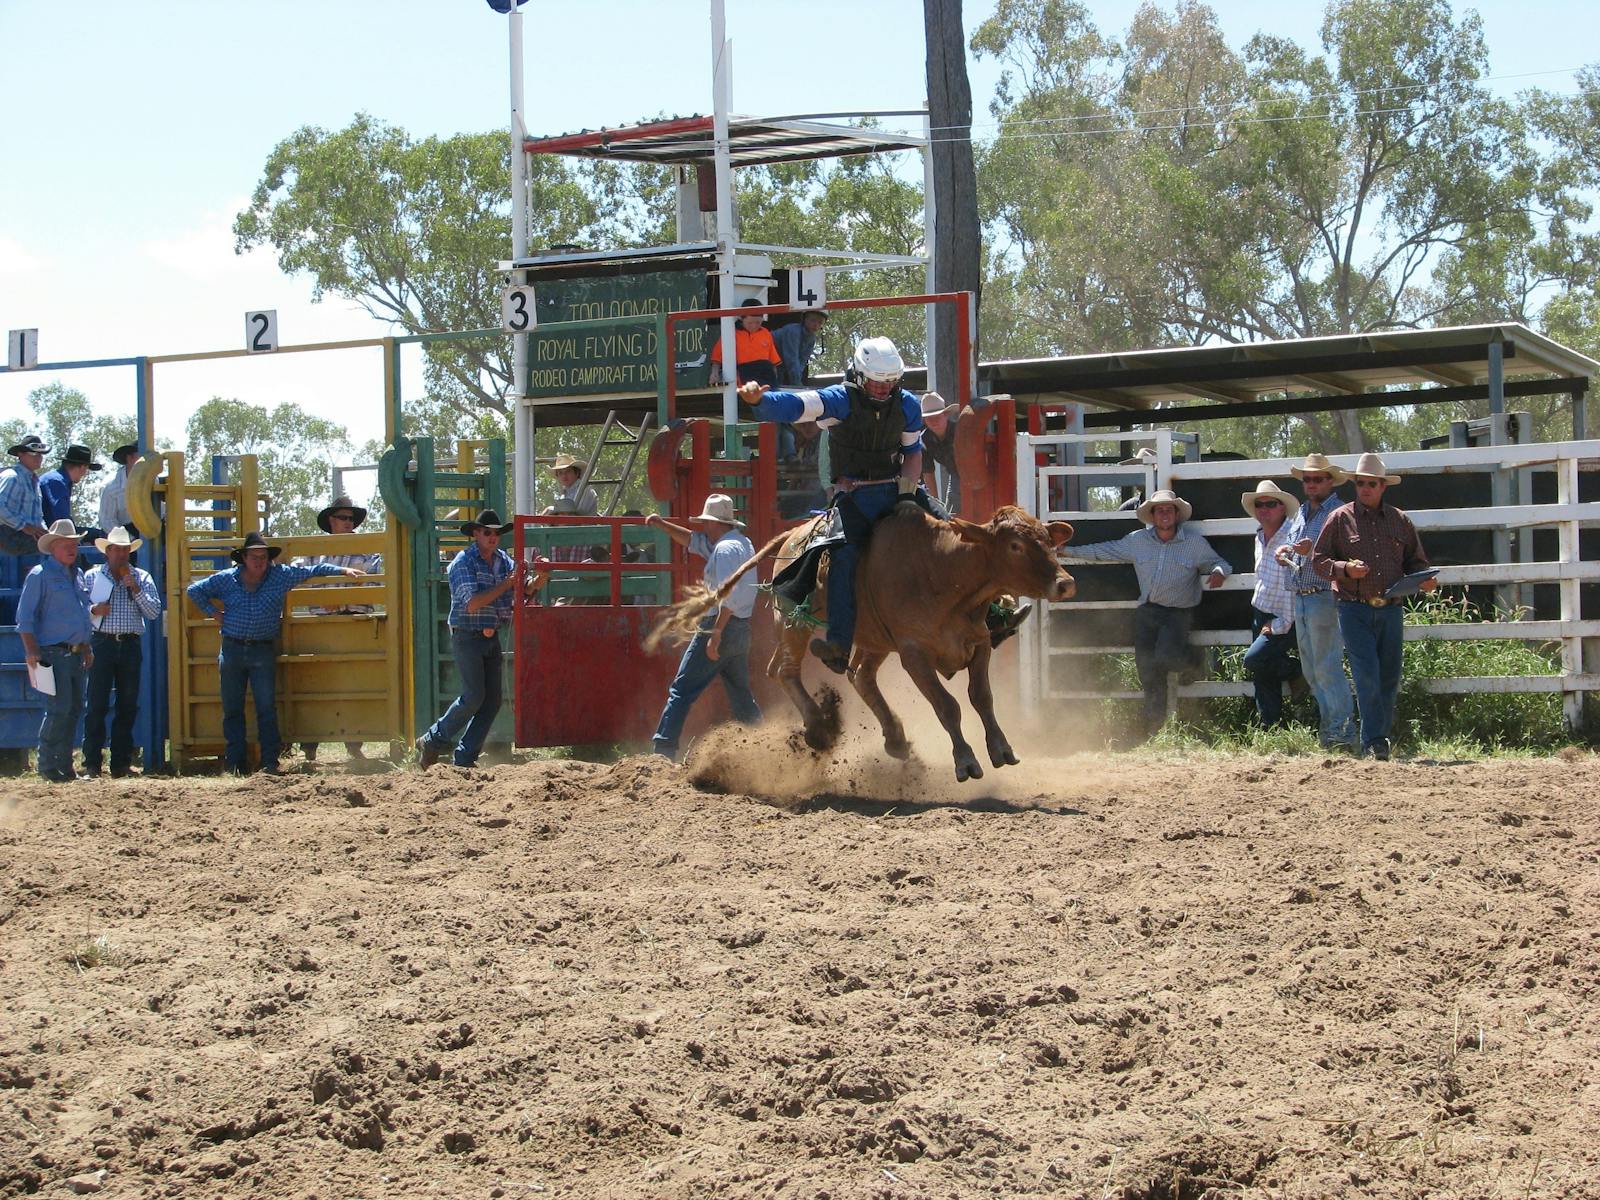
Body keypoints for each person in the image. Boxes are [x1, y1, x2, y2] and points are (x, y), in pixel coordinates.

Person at [737, 335, 927, 675]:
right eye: (876, 382)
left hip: (898, 490)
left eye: (890, 382)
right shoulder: (840, 400)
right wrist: (761, 402)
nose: (883, 389)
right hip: (855, 498)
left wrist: (908, 497)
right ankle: (839, 644)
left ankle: (992, 616)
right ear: (858, 375)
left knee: (949, 529)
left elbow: (912, 453)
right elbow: (798, 405)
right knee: (844, 555)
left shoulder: (908, 405)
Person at [186, 530, 366, 775]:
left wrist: (342, 571)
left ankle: (269, 761)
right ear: (244, 558)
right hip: (232, 648)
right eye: (254, 556)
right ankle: (236, 762)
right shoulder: (227, 579)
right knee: (233, 708)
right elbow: (194, 590)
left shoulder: (279, 575)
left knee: (265, 707)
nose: (259, 561)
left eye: (263, 556)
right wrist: (214, 613)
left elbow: (313, 570)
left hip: (260, 648)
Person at [1067, 488, 1230, 738]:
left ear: (1176, 514)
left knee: (1166, 659)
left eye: (1168, 509)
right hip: (1148, 612)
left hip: (1178, 613)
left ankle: (1194, 660)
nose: (1164, 514)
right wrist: (1068, 552)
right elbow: (1103, 550)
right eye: (1159, 510)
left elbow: (1218, 561)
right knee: (1147, 671)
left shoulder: (1193, 543)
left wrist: (1219, 571)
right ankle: (1155, 730)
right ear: (1152, 515)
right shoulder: (1137, 541)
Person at [1312, 453, 1436, 762]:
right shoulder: (1340, 518)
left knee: (1389, 675)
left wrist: (1425, 580)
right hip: (1353, 607)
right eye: (1361, 483)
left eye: (1371, 484)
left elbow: (1416, 562)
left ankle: (1379, 736)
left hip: (1391, 606)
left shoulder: (1400, 520)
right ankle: (1375, 740)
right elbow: (1319, 560)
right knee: (1367, 673)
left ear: (1382, 486)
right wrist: (1344, 568)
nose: (1365, 489)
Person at [647, 493, 763, 760]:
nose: (702, 527)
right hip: (741, 629)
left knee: (682, 689)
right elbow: (692, 541)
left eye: (705, 522)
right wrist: (662, 524)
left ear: (714, 523)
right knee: (741, 695)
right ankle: (763, 745)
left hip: (721, 626)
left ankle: (662, 751)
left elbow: (727, 594)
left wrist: (716, 634)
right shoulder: (741, 543)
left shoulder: (724, 550)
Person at [416, 509, 518, 769]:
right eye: (487, 532)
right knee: (474, 696)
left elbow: (520, 589)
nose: (493, 537)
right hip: (467, 635)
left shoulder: (503, 561)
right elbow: (472, 603)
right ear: (476, 534)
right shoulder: (463, 562)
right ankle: (435, 739)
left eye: (496, 533)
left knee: (491, 700)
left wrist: (534, 582)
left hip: (489, 635)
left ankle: (463, 756)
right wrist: (509, 584)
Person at [1273, 453, 1357, 749]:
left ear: (1329, 481)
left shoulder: (1340, 513)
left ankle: (1342, 732)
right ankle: (1333, 730)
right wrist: (1286, 551)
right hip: (1303, 597)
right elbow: (1301, 548)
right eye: (1307, 479)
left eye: (1317, 479)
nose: (1311, 484)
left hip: (1324, 595)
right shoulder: (1302, 513)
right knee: (1312, 668)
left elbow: (1348, 557)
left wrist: (1310, 553)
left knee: (1326, 666)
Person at [295, 494, 383, 764]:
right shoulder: (313, 549)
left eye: (351, 518)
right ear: (331, 520)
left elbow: (375, 580)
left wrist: (340, 599)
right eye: (344, 518)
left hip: (353, 622)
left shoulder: (367, 550)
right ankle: (309, 746)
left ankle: (354, 743)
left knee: (353, 685)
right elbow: (297, 575)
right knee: (318, 685)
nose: (349, 522)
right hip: (321, 626)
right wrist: (324, 600)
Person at [16, 520, 94, 783]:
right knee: (59, 709)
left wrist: (86, 648)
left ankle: (64, 766)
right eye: (66, 544)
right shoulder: (40, 575)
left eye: (74, 544)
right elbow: (24, 617)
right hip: (50, 653)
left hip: (74, 653)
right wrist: (31, 652)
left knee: (71, 710)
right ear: (53, 547)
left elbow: (82, 616)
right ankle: (48, 764)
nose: (72, 548)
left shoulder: (77, 575)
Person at [81, 526, 161, 778]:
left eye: (125, 550)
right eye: (117, 550)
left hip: (128, 644)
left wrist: (135, 589)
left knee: (127, 704)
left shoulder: (142, 577)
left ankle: (120, 763)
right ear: (108, 552)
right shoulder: (92, 576)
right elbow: (77, 611)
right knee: (97, 703)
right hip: (102, 642)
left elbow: (153, 613)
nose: (122, 554)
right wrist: (93, 610)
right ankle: (92, 762)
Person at [1240, 480, 1302, 728]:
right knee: (1262, 673)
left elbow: (1293, 586)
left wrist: (1280, 624)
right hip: (1261, 609)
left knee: (1254, 660)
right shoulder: (1260, 537)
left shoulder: (1291, 539)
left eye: (1270, 504)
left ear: (1282, 508)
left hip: (1282, 616)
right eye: (1260, 504)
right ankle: (1270, 725)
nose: (1264, 509)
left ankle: (1298, 671)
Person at [713, 300, 791, 457]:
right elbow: (717, 356)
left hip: (768, 377)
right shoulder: (731, 334)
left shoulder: (766, 334)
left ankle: (789, 453)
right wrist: (714, 372)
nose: (755, 325)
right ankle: (772, 456)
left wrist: (775, 380)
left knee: (781, 415)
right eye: (751, 322)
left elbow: (773, 361)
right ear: (742, 318)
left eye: (758, 321)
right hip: (748, 376)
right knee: (766, 417)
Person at [0, 435, 50, 555]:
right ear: (20, 454)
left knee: (66, 545)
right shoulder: (12, 476)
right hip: (9, 534)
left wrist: (44, 531)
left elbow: (37, 516)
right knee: (57, 548)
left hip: (23, 536)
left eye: (40, 454)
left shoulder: (34, 481)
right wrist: (25, 526)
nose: (38, 457)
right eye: (33, 453)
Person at [917, 392, 961, 513]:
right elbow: (928, 473)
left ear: (945, 415)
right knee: (951, 515)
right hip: (955, 475)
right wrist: (935, 504)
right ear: (925, 420)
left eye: (937, 416)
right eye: (929, 418)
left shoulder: (960, 431)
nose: (934, 421)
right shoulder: (924, 439)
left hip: (977, 475)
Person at [39, 444, 102, 525]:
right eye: (86, 469)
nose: (84, 473)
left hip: (50, 530)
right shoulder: (57, 482)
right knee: (98, 535)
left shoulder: (58, 480)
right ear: (83, 467)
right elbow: (62, 519)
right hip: (47, 532)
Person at [97, 444, 142, 537]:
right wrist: (130, 540)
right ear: (130, 458)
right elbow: (107, 521)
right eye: (142, 457)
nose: (148, 462)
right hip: (124, 533)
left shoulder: (154, 481)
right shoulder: (111, 489)